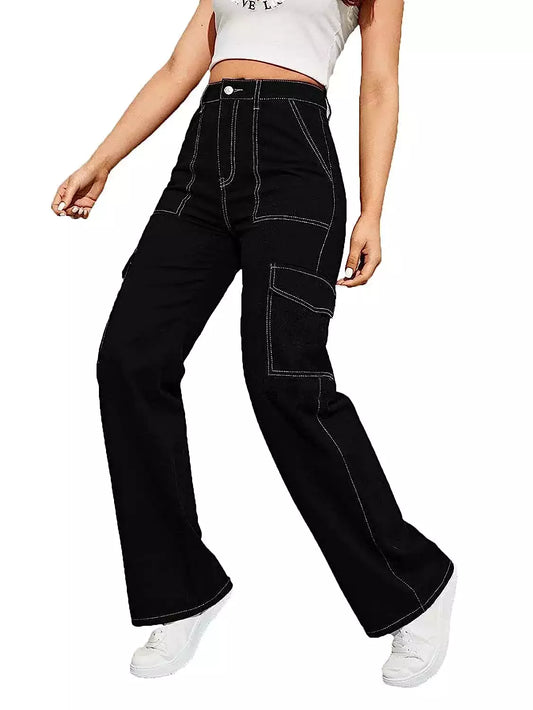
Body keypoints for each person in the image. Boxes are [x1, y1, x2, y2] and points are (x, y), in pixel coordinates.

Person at [52, 0, 456, 686]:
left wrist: (372, 211)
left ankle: (414, 586)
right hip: (203, 160)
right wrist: (103, 160)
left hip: (293, 159)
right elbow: (180, 67)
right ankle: (181, 590)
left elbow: (379, 83)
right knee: (129, 360)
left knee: (283, 379)